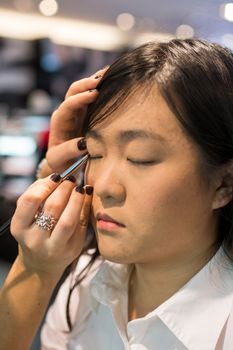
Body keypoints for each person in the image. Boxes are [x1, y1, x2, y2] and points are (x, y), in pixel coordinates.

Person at [1, 39, 233, 350]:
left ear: (224, 184)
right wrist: (35, 267)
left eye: (141, 157)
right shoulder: (87, 280)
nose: (106, 187)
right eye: (94, 154)